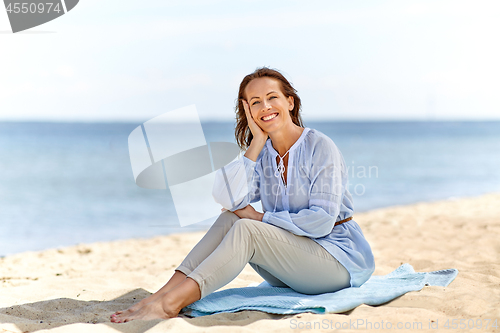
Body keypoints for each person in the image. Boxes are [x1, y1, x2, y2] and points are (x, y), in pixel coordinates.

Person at [110, 67, 375, 323]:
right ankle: (162, 295)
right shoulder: (264, 154)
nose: (266, 107)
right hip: (294, 266)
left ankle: (170, 304)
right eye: (255, 102)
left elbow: (321, 221)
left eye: (273, 98)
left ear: (290, 102)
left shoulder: (319, 146)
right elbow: (227, 200)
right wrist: (256, 143)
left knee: (247, 228)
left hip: (337, 263)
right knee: (232, 220)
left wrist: (261, 218)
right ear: (248, 111)